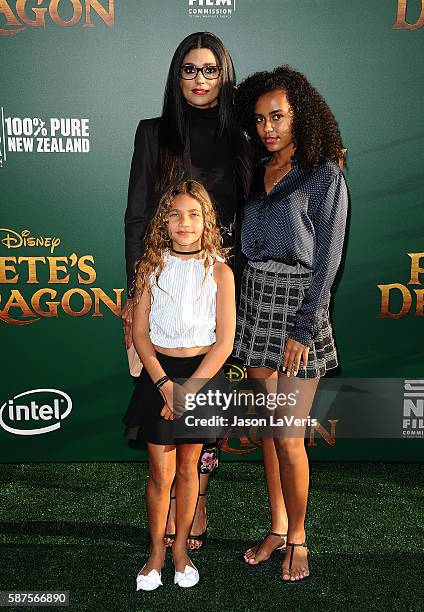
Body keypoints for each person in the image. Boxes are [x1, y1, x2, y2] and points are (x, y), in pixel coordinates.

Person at [122, 31, 251, 549]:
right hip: (162, 280)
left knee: (207, 395)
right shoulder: (152, 133)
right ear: (177, 76)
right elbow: (136, 215)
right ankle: (173, 505)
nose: (200, 80)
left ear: (224, 75)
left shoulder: (243, 135)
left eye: (210, 70)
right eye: (190, 70)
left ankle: (195, 498)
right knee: (164, 397)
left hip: (222, 282)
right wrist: (136, 290)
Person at [233, 65, 348, 582]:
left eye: (278, 117)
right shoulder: (254, 169)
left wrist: (304, 326)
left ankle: (298, 538)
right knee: (269, 433)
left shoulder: (325, 174)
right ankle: (277, 526)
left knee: (289, 436)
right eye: (260, 120)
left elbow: (329, 260)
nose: (268, 128)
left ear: (300, 115)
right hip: (255, 305)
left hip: (299, 310)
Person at [123, 179, 235, 590]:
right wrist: (167, 387)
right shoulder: (150, 268)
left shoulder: (221, 272)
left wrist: (188, 391)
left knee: (190, 469)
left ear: (206, 220)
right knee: (160, 472)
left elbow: (225, 341)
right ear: (163, 222)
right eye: (175, 214)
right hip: (159, 377)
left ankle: (181, 550)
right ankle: (155, 552)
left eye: (194, 214)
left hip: (203, 376)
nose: (184, 222)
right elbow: (140, 335)